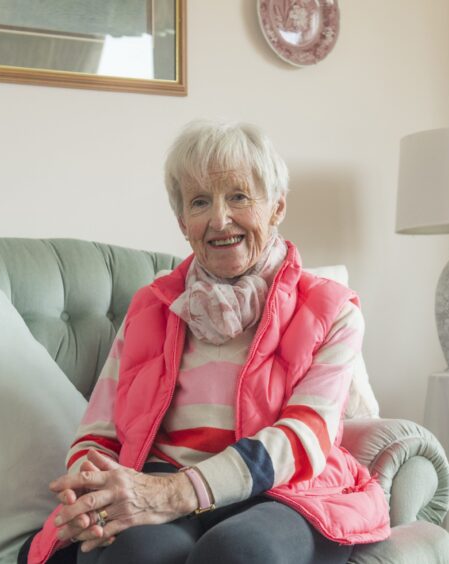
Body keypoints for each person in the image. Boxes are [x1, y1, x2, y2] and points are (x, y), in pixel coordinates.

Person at [22, 120, 390, 564]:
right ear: (183, 223)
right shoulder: (152, 306)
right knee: (135, 554)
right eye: (200, 202)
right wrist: (93, 497)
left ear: (276, 206)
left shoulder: (332, 309)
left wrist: (177, 492)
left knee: (238, 552)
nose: (219, 219)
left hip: (284, 490)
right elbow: (98, 433)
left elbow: (303, 437)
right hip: (161, 480)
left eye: (238, 196)